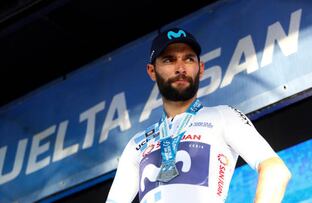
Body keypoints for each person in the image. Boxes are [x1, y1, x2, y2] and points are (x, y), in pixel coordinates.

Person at [106, 27, 291, 203]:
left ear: (201, 68)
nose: (180, 68)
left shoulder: (223, 116)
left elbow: (275, 169)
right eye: (169, 60)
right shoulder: (137, 144)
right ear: (152, 71)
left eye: (188, 59)